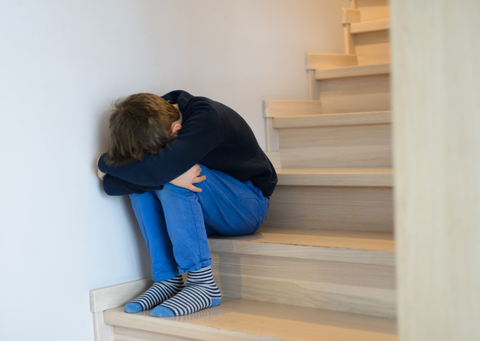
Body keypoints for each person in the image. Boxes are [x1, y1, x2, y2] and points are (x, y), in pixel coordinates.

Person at [96, 90, 277, 317]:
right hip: (204, 211)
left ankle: (203, 284)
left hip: (247, 206)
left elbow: (155, 172)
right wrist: (141, 174)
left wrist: (104, 163)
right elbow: (113, 186)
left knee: (175, 177)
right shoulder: (151, 120)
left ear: (176, 131)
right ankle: (168, 279)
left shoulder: (207, 117)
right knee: (143, 188)